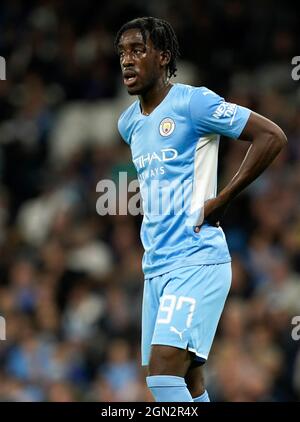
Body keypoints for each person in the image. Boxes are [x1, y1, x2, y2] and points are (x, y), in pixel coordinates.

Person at [115, 16, 287, 402]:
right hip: (156, 268)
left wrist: (223, 197)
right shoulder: (128, 124)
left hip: (196, 260)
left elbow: (270, 136)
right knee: (190, 386)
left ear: (163, 57)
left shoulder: (193, 102)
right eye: (122, 52)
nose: (127, 60)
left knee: (162, 378)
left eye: (138, 50)